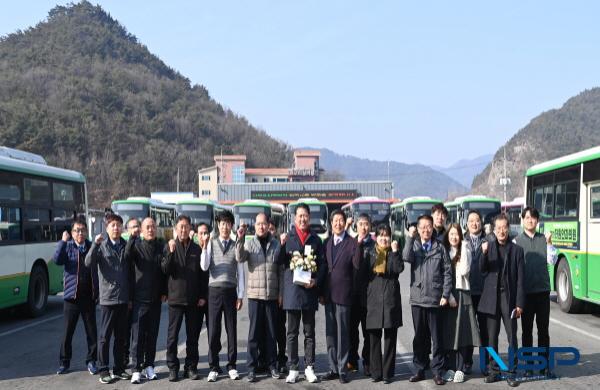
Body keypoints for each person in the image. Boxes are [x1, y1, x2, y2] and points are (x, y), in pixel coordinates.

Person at [278, 203, 326, 384]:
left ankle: (309, 367)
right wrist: (281, 245)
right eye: (300, 216)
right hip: (292, 292)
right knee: (291, 333)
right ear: (294, 218)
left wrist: (316, 281)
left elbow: (323, 266)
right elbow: (279, 261)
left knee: (309, 332)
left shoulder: (316, 239)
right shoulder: (288, 238)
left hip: (309, 292)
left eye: (305, 215)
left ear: (309, 217)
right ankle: (292, 368)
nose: (303, 219)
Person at [402, 214, 452, 386]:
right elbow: (406, 257)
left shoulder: (439, 247)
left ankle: (437, 371)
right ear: (418, 228)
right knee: (420, 337)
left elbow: (447, 271)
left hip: (435, 299)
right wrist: (409, 237)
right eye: (422, 226)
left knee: (437, 338)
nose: (425, 229)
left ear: (432, 228)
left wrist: (445, 295)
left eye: (428, 226)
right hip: (417, 299)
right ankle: (420, 369)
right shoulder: (414, 245)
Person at [236, 213, 283, 382]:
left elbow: (280, 271)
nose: (261, 227)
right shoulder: (249, 244)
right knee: (253, 334)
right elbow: (239, 257)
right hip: (255, 296)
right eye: (258, 224)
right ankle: (251, 368)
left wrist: (280, 294)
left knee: (271, 334)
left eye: (264, 224)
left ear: (268, 225)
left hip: (271, 296)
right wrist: (240, 240)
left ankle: (272, 365)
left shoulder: (276, 244)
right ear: (254, 226)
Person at [84, 213, 131, 384]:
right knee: (104, 337)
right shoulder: (101, 247)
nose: (116, 228)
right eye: (113, 225)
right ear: (107, 228)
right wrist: (94, 245)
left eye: (119, 225)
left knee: (121, 337)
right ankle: (103, 369)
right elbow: (88, 263)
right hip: (108, 299)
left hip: (123, 298)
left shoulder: (126, 246)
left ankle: (119, 368)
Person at [479, 214, 524, 387]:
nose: (501, 231)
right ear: (494, 230)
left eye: (504, 227)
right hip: (491, 298)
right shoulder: (488, 247)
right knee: (492, 337)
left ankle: (512, 372)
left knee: (512, 336)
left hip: (509, 298)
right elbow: (482, 270)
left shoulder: (517, 250)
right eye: (498, 228)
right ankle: (494, 371)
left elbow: (521, 279)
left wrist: (520, 303)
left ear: (508, 228)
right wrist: (483, 254)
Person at [200, 210, 246, 382]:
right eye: (222, 223)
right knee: (213, 330)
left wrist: (240, 295)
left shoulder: (236, 245)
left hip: (230, 291)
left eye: (228, 223)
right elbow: (204, 267)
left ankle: (232, 365)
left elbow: (240, 272)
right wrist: (204, 248)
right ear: (218, 225)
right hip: (214, 291)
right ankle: (214, 366)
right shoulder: (210, 243)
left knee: (231, 329)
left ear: (231, 226)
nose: (225, 227)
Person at [162, 215, 208, 382]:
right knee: (172, 337)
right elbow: (165, 270)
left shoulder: (197, 249)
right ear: (176, 228)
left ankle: (191, 367)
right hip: (175, 300)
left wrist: (203, 296)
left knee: (192, 337)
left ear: (190, 229)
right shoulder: (170, 246)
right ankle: (173, 368)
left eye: (186, 227)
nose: (183, 230)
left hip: (193, 301)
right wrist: (171, 253)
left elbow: (203, 275)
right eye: (181, 227)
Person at [514, 207, 558, 378]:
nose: (530, 220)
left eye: (533, 218)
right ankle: (528, 366)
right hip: (525, 293)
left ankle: (544, 366)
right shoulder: (517, 241)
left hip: (542, 292)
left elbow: (552, 261)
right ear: (523, 220)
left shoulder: (544, 239)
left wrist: (549, 243)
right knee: (526, 331)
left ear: (537, 220)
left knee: (543, 330)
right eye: (527, 217)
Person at [54, 217, 98, 376]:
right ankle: (64, 363)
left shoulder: (91, 246)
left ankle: (92, 361)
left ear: (86, 231)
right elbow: (57, 260)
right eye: (77, 230)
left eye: (83, 230)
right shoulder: (68, 246)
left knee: (92, 332)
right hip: (71, 297)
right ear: (72, 233)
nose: (80, 233)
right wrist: (62, 242)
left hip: (88, 297)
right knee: (67, 333)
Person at [125, 217, 167, 383]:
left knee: (153, 335)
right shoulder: (136, 247)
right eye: (147, 227)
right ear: (142, 230)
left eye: (153, 227)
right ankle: (136, 368)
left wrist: (164, 292)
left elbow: (164, 272)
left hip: (155, 299)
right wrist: (132, 237)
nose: (151, 229)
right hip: (139, 300)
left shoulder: (160, 247)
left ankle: (149, 366)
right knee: (137, 337)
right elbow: (127, 256)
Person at [322, 210, 361, 384]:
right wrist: (321, 293)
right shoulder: (327, 243)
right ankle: (333, 367)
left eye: (341, 220)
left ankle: (343, 369)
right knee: (330, 334)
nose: (338, 223)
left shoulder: (352, 243)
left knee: (343, 334)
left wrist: (358, 244)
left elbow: (357, 266)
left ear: (345, 223)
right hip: (328, 295)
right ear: (331, 223)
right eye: (335, 220)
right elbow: (323, 270)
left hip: (344, 295)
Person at [441, 224, 480, 384]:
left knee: (463, 333)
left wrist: (463, 247)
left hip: (463, 294)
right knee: (450, 333)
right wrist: (448, 295)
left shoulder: (466, 250)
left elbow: (464, 270)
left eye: (456, 234)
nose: (454, 237)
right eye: (451, 234)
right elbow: (441, 274)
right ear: (447, 236)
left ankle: (460, 368)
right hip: (448, 295)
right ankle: (450, 367)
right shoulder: (443, 251)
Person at [365, 224, 404, 384]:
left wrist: (394, 252)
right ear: (376, 237)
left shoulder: (395, 252)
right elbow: (365, 273)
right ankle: (376, 373)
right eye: (381, 235)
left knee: (390, 338)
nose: (384, 238)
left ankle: (388, 373)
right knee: (374, 339)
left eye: (386, 235)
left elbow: (397, 269)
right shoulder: (370, 253)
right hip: (373, 299)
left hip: (390, 300)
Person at [462, 210, 488, 374]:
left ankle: (486, 365)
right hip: (467, 292)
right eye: (471, 221)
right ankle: (466, 363)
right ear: (467, 224)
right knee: (468, 330)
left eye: (477, 220)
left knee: (485, 330)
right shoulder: (461, 241)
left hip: (485, 293)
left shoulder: (489, 240)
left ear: (481, 223)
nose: (474, 223)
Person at [348, 213, 374, 377]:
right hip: (351, 295)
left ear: (370, 227)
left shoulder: (374, 245)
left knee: (368, 332)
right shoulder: (350, 243)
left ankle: (367, 361)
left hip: (369, 296)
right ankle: (352, 359)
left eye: (366, 224)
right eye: (361, 224)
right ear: (355, 226)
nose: (363, 227)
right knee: (351, 331)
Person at [269, 220, 288, 374]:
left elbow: (282, 273)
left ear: (275, 230)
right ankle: (267, 359)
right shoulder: (260, 244)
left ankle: (282, 359)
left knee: (280, 330)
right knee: (267, 330)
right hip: (265, 296)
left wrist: (282, 294)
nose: (269, 231)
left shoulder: (279, 245)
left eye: (271, 228)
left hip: (278, 296)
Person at [123, 218, 140, 368]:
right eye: (132, 227)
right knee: (125, 328)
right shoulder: (126, 243)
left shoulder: (143, 243)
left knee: (139, 330)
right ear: (128, 229)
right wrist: (131, 239)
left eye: (137, 226)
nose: (136, 229)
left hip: (140, 294)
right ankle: (124, 358)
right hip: (127, 293)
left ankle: (138, 359)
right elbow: (126, 256)